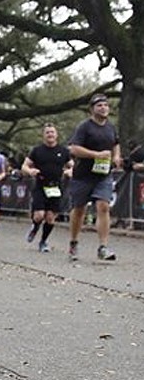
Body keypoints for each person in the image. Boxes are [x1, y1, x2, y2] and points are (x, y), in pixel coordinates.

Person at [67, 93, 121, 261]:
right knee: (79, 210)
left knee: (103, 206)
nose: (103, 108)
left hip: (103, 176)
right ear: (92, 109)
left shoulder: (110, 127)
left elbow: (116, 143)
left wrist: (116, 156)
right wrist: (96, 155)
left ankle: (103, 247)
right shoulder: (85, 127)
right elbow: (73, 149)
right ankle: (74, 242)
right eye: (99, 105)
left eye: (105, 105)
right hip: (82, 176)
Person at [21, 123, 73, 253]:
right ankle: (35, 227)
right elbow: (24, 166)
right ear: (43, 135)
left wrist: (70, 171)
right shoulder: (37, 151)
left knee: (50, 218)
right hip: (40, 185)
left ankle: (43, 241)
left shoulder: (63, 151)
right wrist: (30, 171)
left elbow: (72, 165)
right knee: (39, 215)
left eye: (52, 132)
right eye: (47, 132)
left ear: (56, 135)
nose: (50, 134)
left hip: (56, 187)